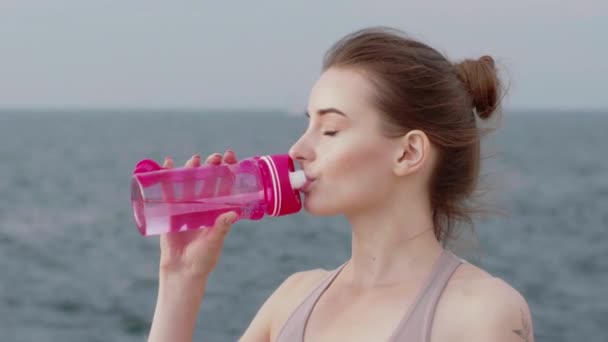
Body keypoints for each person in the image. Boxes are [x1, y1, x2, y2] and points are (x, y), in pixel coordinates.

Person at [147, 26, 535, 342]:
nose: (298, 148)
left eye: (330, 129)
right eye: (307, 124)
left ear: (409, 153)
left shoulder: (483, 314)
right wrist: (182, 277)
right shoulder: (292, 300)